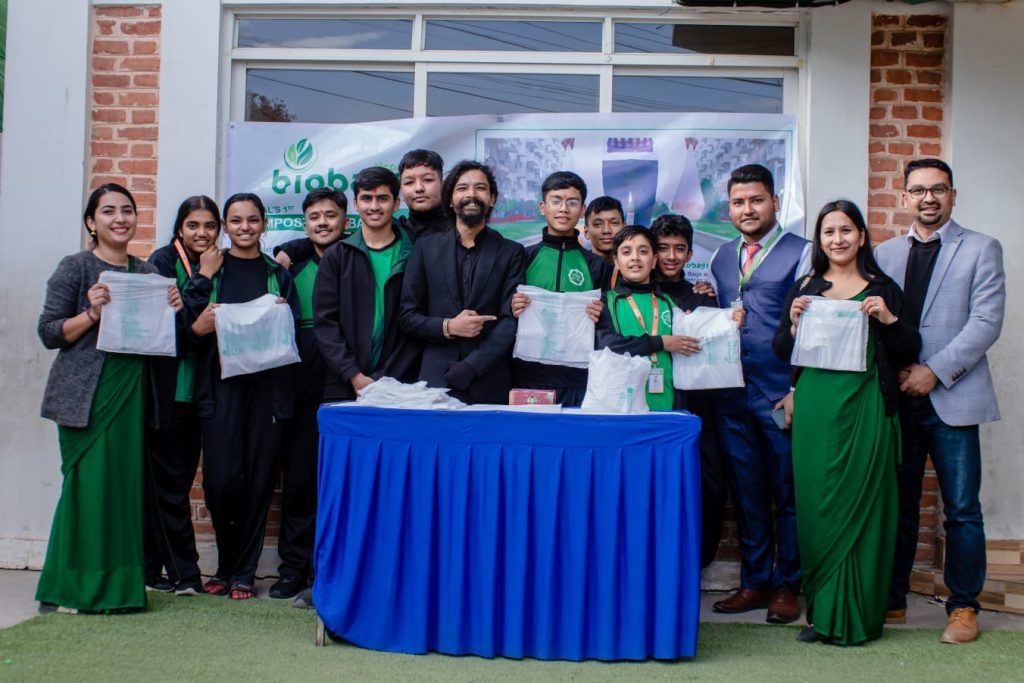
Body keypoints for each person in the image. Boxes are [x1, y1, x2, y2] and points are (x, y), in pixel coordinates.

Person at [772, 200, 920, 645]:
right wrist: (795, 326)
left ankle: (859, 617)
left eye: (845, 230)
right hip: (816, 408)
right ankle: (823, 614)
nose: (837, 239)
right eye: (828, 232)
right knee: (818, 508)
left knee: (865, 507)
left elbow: (909, 348)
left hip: (866, 407)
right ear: (820, 240)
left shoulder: (883, 288)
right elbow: (782, 349)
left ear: (860, 235)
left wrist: (888, 319)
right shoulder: (806, 285)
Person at [875, 159, 1005, 644]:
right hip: (898, 400)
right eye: (918, 190)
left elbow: (986, 322)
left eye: (938, 190)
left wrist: (934, 371)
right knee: (899, 504)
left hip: (953, 396)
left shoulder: (981, 249)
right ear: (903, 198)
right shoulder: (884, 254)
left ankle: (964, 606)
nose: (928, 198)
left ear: (953, 195)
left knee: (962, 508)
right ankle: (892, 598)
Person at [36, 183, 182, 613]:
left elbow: (156, 341)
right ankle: (68, 587)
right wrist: (91, 313)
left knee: (122, 492)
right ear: (91, 222)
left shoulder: (148, 274)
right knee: (86, 489)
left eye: (128, 210)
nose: (120, 218)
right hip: (86, 396)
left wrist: (171, 308)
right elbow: (48, 332)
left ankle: (119, 590)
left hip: (133, 392)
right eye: (109, 211)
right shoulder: (76, 267)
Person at [184, 193, 300, 601]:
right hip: (219, 388)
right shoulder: (211, 268)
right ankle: (226, 563)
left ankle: (243, 574)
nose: (245, 227)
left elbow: (294, 337)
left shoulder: (277, 273)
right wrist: (201, 283)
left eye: (253, 220)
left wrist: (282, 312)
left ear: (265, 225)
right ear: (225, 226)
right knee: (220, 481)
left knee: (258, 480)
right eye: (235, 220)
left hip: (267, 391)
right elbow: (186, 328)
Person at [708, 163, 810, 624]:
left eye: (756, 200)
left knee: (787, 493)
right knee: (746, 494)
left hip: (779, 394)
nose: (747, 209)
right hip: (732, 395)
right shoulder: (720, 257)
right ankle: (754, 582)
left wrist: (795, 388)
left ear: (774, 201)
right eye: (738, 202)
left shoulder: (803, 253)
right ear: (728, 208)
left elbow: (815, 329)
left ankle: (789, 585)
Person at [267, 188, 349, 600]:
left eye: (330, 215)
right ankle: (293, 569)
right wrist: (289, 248)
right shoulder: (289, 266)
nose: (322, 222)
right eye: (314, 216)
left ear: (345, 221)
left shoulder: (356, 261)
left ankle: (331, 570)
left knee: (341, 482)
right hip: (299, 382)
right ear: (304, 224)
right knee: (299, 480)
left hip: (345, 380)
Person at [144, 195, 222, 596]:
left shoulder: (218, 261)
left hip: (198, 396)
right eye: (193, 225)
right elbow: (173, 332)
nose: (202, 233)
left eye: (210, 226)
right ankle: (186, 575)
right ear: (179, 228)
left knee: (166, 486)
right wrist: (203, 279)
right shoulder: (160, 263)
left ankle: (148, 569)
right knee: (169, 489)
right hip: (165, 394)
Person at [400, 160, 525, 404]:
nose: (471, 194)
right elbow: (407, 316)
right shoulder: (426, 249)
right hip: (436, 382)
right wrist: (448, 326)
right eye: (462, 188)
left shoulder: (511, 252)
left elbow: (512, 320)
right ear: (449, 199)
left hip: (490, 380)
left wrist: (473, 365)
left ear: (492, 198)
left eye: (480, 188)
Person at [651, 213, 727, 569]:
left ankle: (698, 561)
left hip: (699, 408)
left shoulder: (702, 296)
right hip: (651, 408)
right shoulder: (637, 292)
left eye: (679, 249)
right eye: (663, 248)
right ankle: (655, 562)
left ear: (690, 253)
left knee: (708, 487)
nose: (670, 256)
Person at [314, 167, 421, 403]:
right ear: (355, 204)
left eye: (382, 198)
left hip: (400, 383)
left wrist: (384, 378)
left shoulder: (415, 253)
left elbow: (418, 323)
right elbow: (325, 323)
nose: (374, 206)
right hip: (344, 383)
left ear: (396, 204)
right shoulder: (337, 256)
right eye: (366, 198)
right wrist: (353, 374)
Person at [510, 171, 609, 406]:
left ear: (582, 209)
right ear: (543, 207)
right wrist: (512, 306)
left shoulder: (596, 265)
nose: (564, 208)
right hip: (528, 375)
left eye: (572, 202)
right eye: (556, 201)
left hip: (578, 377)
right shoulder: (523, 257)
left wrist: (601, 314)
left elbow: (608, 321)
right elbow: (504, 312)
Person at [595, 225, 703, 412]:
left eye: (643, 251)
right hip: (620, 408)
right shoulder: (605, 301)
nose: (635, 258)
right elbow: (607, 344)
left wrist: (728, 322)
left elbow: (695, 343)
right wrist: (661, 342)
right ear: (616, 261)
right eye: (626, 252)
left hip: (669, 405)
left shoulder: (672, 303)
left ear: (654, 260)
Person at [396, 148, 450, 241]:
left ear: (443, 184)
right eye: (409, 182)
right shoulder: (394, 234)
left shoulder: (462, 231)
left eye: (428, 180)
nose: (419, 188)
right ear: (401, 190)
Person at [582, 195, 625, 265]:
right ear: (586, 232)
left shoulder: (634, 269)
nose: (606, 230)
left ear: (624, 228)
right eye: (597, 224)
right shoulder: (578, 268)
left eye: (614, 223)